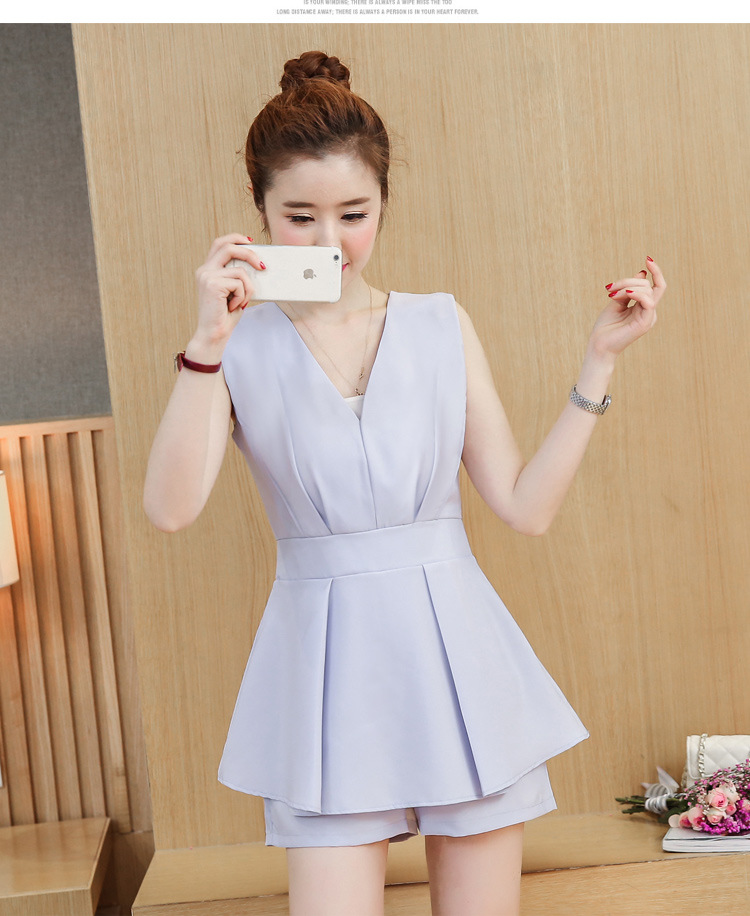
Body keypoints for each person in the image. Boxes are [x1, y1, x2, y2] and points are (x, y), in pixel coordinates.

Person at [144, 50, 666, 916]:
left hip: (460, 667)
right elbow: (170, 511)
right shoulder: (236, 347)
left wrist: (599, 363)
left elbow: (525, 508)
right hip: (324, 683)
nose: (328, 242)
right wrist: (205, 345)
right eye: (299, 216)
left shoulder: (438, 325)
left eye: (353, 214)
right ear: (258, 214)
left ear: (383, 204)